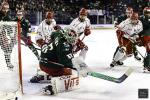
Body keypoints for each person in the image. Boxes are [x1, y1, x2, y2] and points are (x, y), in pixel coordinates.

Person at [31, 28, 89, 95]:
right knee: (70, 73)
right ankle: (53, 87)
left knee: (60, 65)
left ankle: (42, 75)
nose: (74, 41)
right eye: (72, 40)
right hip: (48, 65)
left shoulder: (59, 33)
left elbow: (53, 34)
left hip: (44, 61)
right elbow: (69, 63)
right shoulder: (64, 47)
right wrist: (82, 68)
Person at [30, 10, 61, 82]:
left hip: (50, 41)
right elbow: (42, 38)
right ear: (46, 18)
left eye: (50, 18)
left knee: (54, 56)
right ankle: (43, 72)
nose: (49, 19)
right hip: (41, 40)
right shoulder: (42, 26)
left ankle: (54, 70)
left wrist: (57, 29)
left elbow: (54, 31)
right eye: (48, 18)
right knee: (46, 55)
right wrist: (43, 44)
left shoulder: (53, 21)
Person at [0, 1, 16, 70]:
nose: (5, 10)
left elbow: (9, 26)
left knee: (6, 49)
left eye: (7, 9)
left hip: (2, 34)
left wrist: (11, 35)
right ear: (1, 7)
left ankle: (8, 63)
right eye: (4, 8)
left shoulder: (7, 17)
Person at [139, 7, 150, 71]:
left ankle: (147, 64)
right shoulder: (140, 18)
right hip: (144, 37)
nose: (148, 14)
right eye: (146, 13)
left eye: (149, 13)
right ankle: (147, 65)